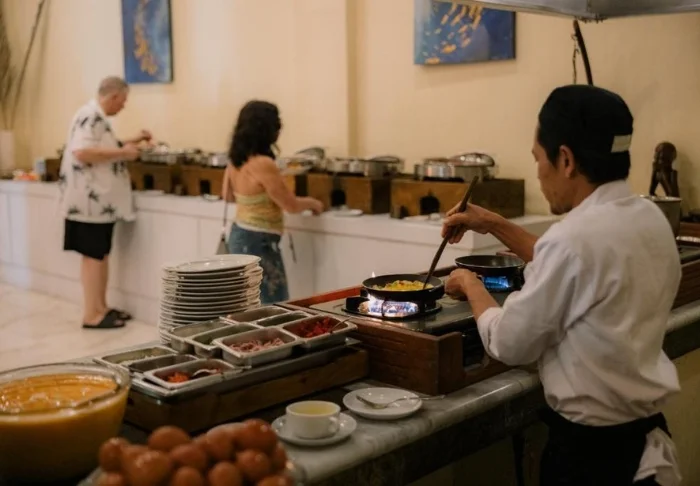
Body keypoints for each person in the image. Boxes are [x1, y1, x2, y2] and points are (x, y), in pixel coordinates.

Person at [443, 85, 681, 486]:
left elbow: (509, 342)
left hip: (593, 461)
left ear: (566, 160)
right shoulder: (649, 218)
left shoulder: (572, 240)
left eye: (539, 158)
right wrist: (493, 223)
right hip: (644, 445)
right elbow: (578, 267)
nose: (539, 172)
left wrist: (470, 284)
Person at [58, 76, 152, 329]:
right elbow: (82, 152)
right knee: (92, 257)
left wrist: (132, 141)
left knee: (100, 255)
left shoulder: (97, 117)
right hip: (88, 203)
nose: (123, 106)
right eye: (123, 100)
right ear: (113, 96)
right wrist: (123, 153)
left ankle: (101, 306)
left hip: (99, 205)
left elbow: (99, 145)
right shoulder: (90, 116)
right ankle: (91, 314)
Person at [222, 100, 324, 304]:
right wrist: (314, 204)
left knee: (248, 303)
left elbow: (228, 195)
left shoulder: (236, 159)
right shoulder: (263, 163)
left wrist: (252, 198)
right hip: (259, 241)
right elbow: (290, 205)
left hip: (239, 235)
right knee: (273, 303)